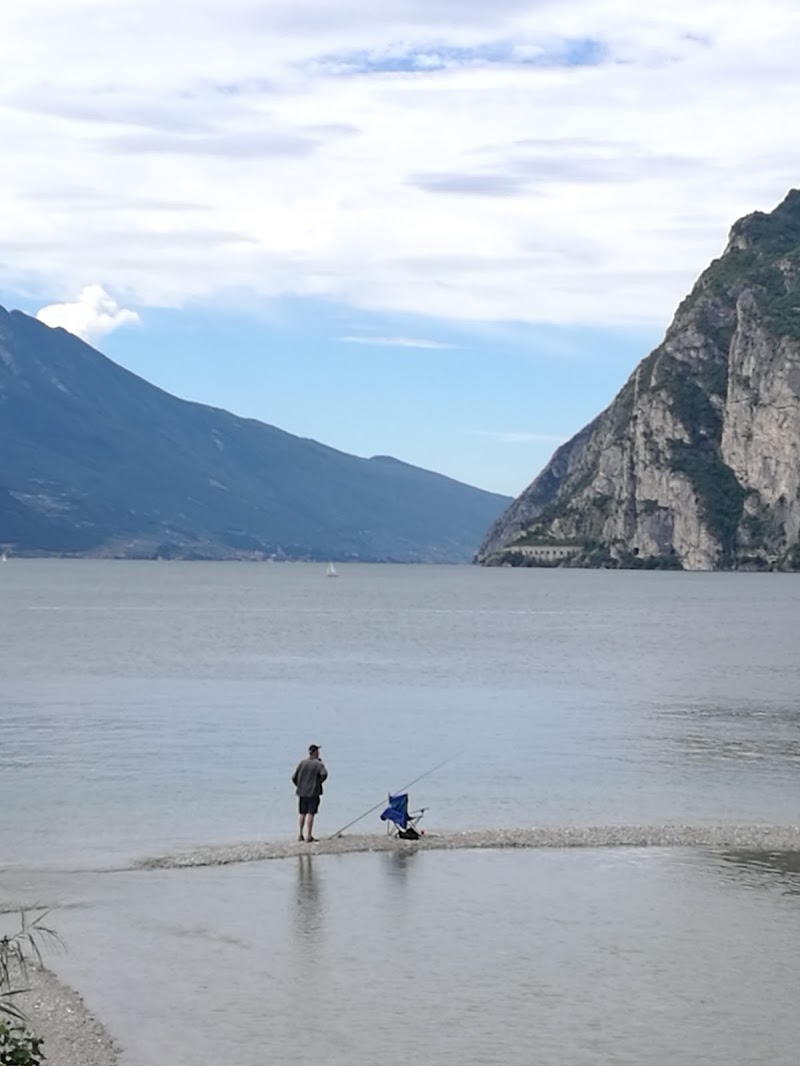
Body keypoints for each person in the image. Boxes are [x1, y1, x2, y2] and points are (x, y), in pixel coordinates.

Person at [292, 743, 328, 842]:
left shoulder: (302, 763)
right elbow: (324, 774)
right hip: (313, 792)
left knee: (302, 813)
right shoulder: (318, 764)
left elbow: (294, 777)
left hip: (302, 792)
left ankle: (300, 834)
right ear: (316, 752)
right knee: (311, 813)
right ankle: (309, 835)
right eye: (318, 751)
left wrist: (299, 785)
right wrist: (318, 783)